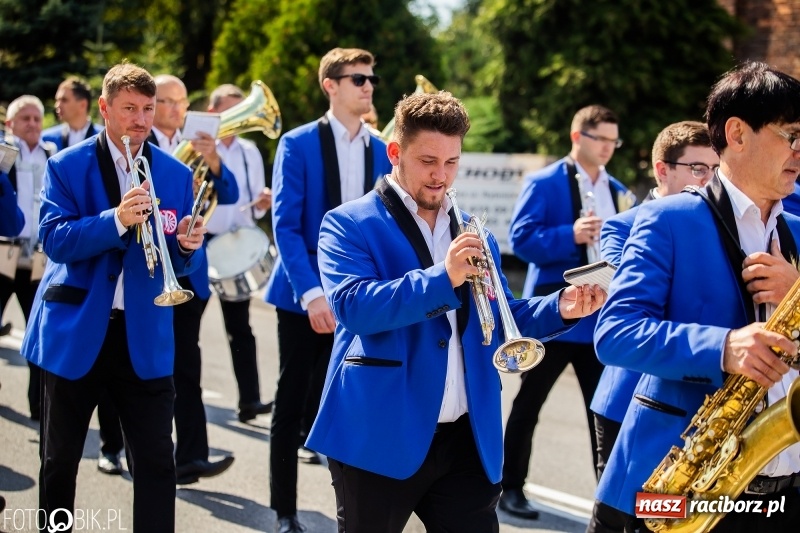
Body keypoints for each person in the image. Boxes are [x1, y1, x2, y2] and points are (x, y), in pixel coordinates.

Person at [305, 90, 606, 533]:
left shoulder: (469, 227)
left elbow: (503, 313)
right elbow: (354, 308)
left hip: (467, 436)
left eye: (451, 162)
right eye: (428, 160)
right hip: (381, 431)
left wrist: (562, 307)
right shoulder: (347, 222)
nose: (440, 175)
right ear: (395, 152)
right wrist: (442, 279)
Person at [589, 61, 800, 533]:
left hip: (782, 492)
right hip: (679, 490)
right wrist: (724, 347)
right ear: (738, 133)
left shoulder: (797, 235)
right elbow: (616, 334)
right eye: (791, 135)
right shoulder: (669, 220)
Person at [21, 62, 206, 531]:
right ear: (105, 108)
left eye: (149, 108)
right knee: (60, 461)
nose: (141, 119)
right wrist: (116, 220)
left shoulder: (176, 174)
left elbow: (178, 267)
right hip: (77, 331)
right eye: (130, 108)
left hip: (143, 336)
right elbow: (55, 241)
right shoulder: (66, 164)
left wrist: (187, 248)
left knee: (157, 465)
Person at [265, 47, 393, 533]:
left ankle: (362, 514)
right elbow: (286, 226)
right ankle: (284, 512)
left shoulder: (383, 149)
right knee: (291, 402)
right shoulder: (297, 144)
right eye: (358, 78)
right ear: (330, 86)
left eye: (371, 78)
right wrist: (313, 295)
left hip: (363, 300)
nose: (368, 85)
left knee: (360, 402)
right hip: (304, 299)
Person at [501, 104, 634, 518]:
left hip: (601, 319)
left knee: (606, 411)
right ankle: (510, 488)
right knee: (529, 405)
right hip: (557, 314)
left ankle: (611, 502)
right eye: (602, 139)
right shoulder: (544, 181)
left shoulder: (619, 190)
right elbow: (521, 240)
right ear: (578, 138)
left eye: (615, 139)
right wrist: (570, 234)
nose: (610, 147)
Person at [590, 121, 718, 480]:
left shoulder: (720, 225)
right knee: (618, 517)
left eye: (715, 169)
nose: (709, 179)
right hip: (629, 394)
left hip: (695, 398)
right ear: (662, 170)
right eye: (697, 169)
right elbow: (625, 295)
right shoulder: (622, 225)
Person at [148, 75, 241, 485]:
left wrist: (215, 161)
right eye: (165, 101)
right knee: (140, 367)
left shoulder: (199, 145)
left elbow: (232, 193)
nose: (173, 109)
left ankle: (190, 455)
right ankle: (124, 447)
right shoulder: (138, 145)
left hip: (189, 271)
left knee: (187, 365)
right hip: (148, 270)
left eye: (180, 102)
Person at [202, 83, 275, 424]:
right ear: (215, 112)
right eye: (232, 111)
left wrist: (262, 204)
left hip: (235, 246)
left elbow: (255, 210)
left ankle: (250, 400)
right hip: (202, 243)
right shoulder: (201, 147)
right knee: (187, 326)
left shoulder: (249, 151)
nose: (239, 119)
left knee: (240, 328)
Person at [0, 95, 56, 418]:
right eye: (25, 119)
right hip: (4, 252)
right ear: (10, 124)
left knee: (40, 334)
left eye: (37, 118)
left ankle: (40, 406)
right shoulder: (4, 154)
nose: (33, 124)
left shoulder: (53, 153)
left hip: (38, 258)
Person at [41, 76, 104, 151]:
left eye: (64, 100)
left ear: (82, 104)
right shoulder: (46, 139)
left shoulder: (104, 138)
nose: (57, 105)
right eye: (57, 100)